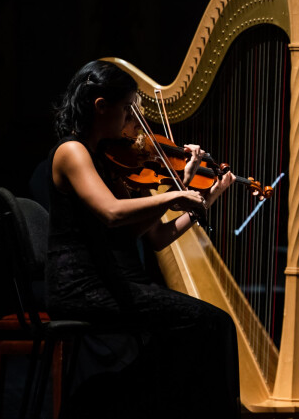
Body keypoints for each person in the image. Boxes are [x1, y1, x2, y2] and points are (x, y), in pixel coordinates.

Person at [46, 60, 240, 418]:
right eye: (126, 109)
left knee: (204, 326)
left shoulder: (105, 159)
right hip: (81, 286)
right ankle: (101, 402)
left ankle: (108, 402)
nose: (131, 121)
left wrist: (195, 192)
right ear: (101, 106)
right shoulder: (72, 151)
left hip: (106, 282)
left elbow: (154, 236)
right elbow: (112, 212)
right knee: (209, 325)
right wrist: (174, 194)